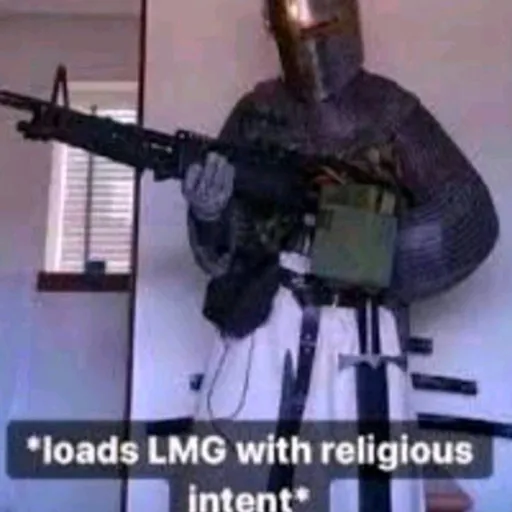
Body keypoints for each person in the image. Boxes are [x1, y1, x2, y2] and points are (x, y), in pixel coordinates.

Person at [180, 0, 499, 510]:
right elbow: (224, 249)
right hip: (265, 326)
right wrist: (210, 213)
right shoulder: (255, 113)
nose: (307, 31)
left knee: (360, 488)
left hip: (361, 332)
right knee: (241, 480)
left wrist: (367, 254)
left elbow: (467, 214)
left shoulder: (389, 110)